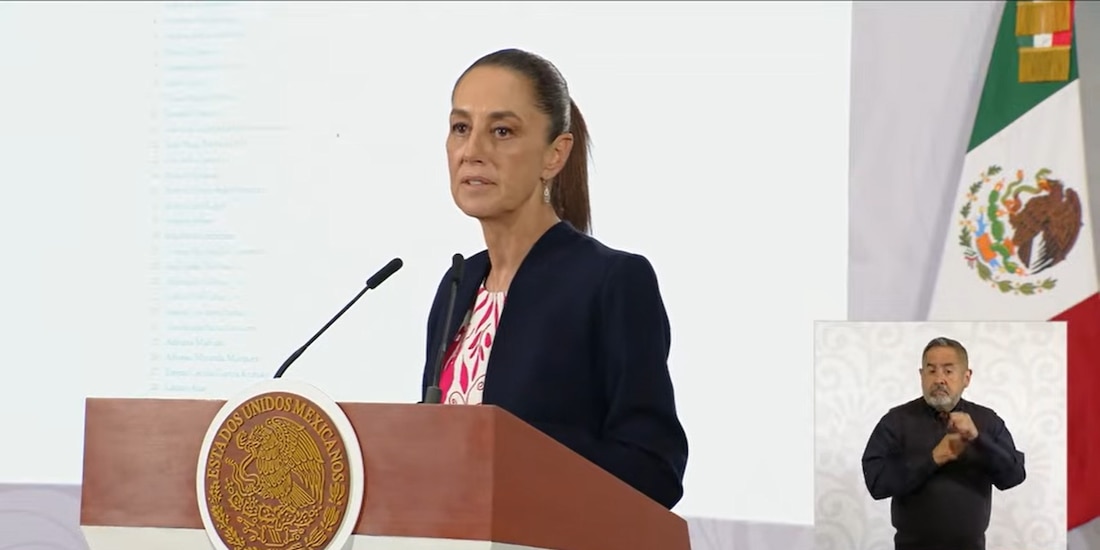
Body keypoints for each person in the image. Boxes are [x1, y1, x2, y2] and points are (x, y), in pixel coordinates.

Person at [418, 48, 689, 509]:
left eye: (501, 131)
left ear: (554, 154)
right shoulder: (458, 286)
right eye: (461, 127)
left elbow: (654, 469)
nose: (473, 151)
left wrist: (511, 448)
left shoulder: (612, 281)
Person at [861, 337, 1027, 550]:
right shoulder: (895, 421)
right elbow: (877, 484)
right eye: (931, 371)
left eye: (948, 371)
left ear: (966, 377)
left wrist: (979, 440)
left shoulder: (988, 421)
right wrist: (933, 458)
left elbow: (1014, 476)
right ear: (921, 376)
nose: (939, 379)